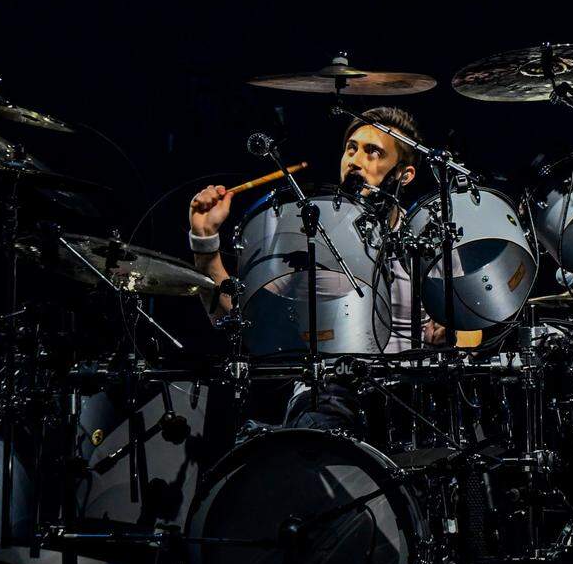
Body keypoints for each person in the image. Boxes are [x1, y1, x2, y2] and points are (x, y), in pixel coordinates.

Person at [187, 106, 472, 431]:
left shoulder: (429, 236)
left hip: (410, 400)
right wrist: (205, 244)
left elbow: (469, 332)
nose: (355, 159)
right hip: (327, 394)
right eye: (350, 149)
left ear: (404, 174)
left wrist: (449, 334)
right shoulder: (308, 235)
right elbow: (242, 319)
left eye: (372, 152)